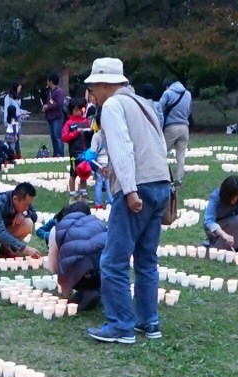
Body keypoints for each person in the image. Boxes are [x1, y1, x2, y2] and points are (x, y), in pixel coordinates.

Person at [84, 57, 171, 344]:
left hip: (139, 188)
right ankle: (149, 321)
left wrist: (130, 189)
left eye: (94, 86)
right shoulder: (143, 103)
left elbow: (122, 147)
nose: (92, 93)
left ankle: (121, 324)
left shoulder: (112, 105)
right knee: (147, 259)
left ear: (107, 84)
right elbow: (157, 144)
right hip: (160, 185)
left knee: (113, 260)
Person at [48, 202, 107, 312]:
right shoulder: (100, 224)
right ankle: (96, 290)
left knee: (77, 263)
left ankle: (88, 292)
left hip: (84, 275)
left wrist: (64, 280)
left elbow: (53, 266)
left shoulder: (58, 228)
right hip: (107, 273)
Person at [203, 174, 238, 251]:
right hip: (219, 227)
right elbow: (208, 220)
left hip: (237, 222)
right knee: (235, 221)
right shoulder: (216, 197)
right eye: (231, 197)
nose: (233, 200)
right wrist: (224, 235)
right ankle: (220, 245)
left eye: (236, 196)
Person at [158, 78, 192, 188]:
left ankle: (162, 178)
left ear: (167, 86)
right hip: (184, 127)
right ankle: (179, 180)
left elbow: (159, 108)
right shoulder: (188, 94)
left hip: (171, 127)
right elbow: (189, 110)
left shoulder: (167, 93)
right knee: (181, 155)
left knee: (162, 154)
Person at [62, 98, 93, 200]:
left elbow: (91, 136)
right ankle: (72, 193)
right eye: (76, 110)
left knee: (84, 172)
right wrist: (75, 133)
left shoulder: (85, 122)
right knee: (74, 173)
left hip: (85, 153)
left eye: (81, 109)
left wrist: (91, 132)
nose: (79, 112)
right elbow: (65, 137)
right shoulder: (69, 123)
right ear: (71, 110)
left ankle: (83, 193)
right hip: (74, 154)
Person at [42, 72, 66, 156]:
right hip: (50, 117)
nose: (47, 82)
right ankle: (56, 153)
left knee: (57, 136)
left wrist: (47, 107)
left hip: (57, 117)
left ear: (51, 81)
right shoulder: (50, 92)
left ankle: (60, 153)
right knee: (53, 137)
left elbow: (59, 104)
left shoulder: (59, 92)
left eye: (48, 80)